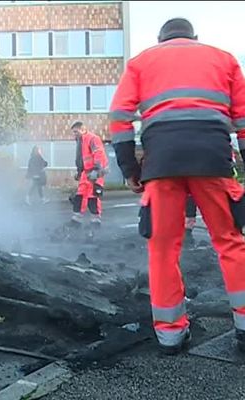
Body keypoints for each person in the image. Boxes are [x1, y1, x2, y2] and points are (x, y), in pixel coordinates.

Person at [109, 18, 245, 355]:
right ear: (194, 37)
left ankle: (170, 334)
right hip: (212, 161)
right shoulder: (224, 59)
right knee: (230, 242)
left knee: (162, 249)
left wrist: (130, 168)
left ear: (160, 39)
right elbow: (243, 121)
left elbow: (119, 116)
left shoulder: (141, 62)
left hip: (161, 165)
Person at [69, 121, 108, 228]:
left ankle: (95, 220)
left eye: (76, 131)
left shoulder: (92, 138)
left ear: (83, 129)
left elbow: (99, 154)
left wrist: (96, 170)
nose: (75, 134)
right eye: (73, 132)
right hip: (85, 172)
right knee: (80, 195)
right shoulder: (80, 141)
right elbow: (80, 158)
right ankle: (77, 218)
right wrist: (79, 171)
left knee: (93, 196)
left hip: (95, 171)